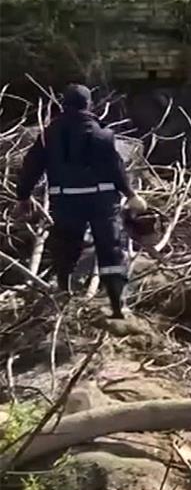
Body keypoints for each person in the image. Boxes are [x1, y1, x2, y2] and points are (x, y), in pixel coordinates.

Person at [14, 84, 147, 318]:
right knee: (110, 250)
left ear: (64, 106)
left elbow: (31, 167)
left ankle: (63, 296)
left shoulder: (48, 136)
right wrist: (131, 194)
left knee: (65, 247)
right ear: (89, 105)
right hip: (102, 201)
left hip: (66, 200)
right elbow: (116, 169)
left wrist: (23, 197)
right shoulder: (102, 134)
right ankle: (117, 307)